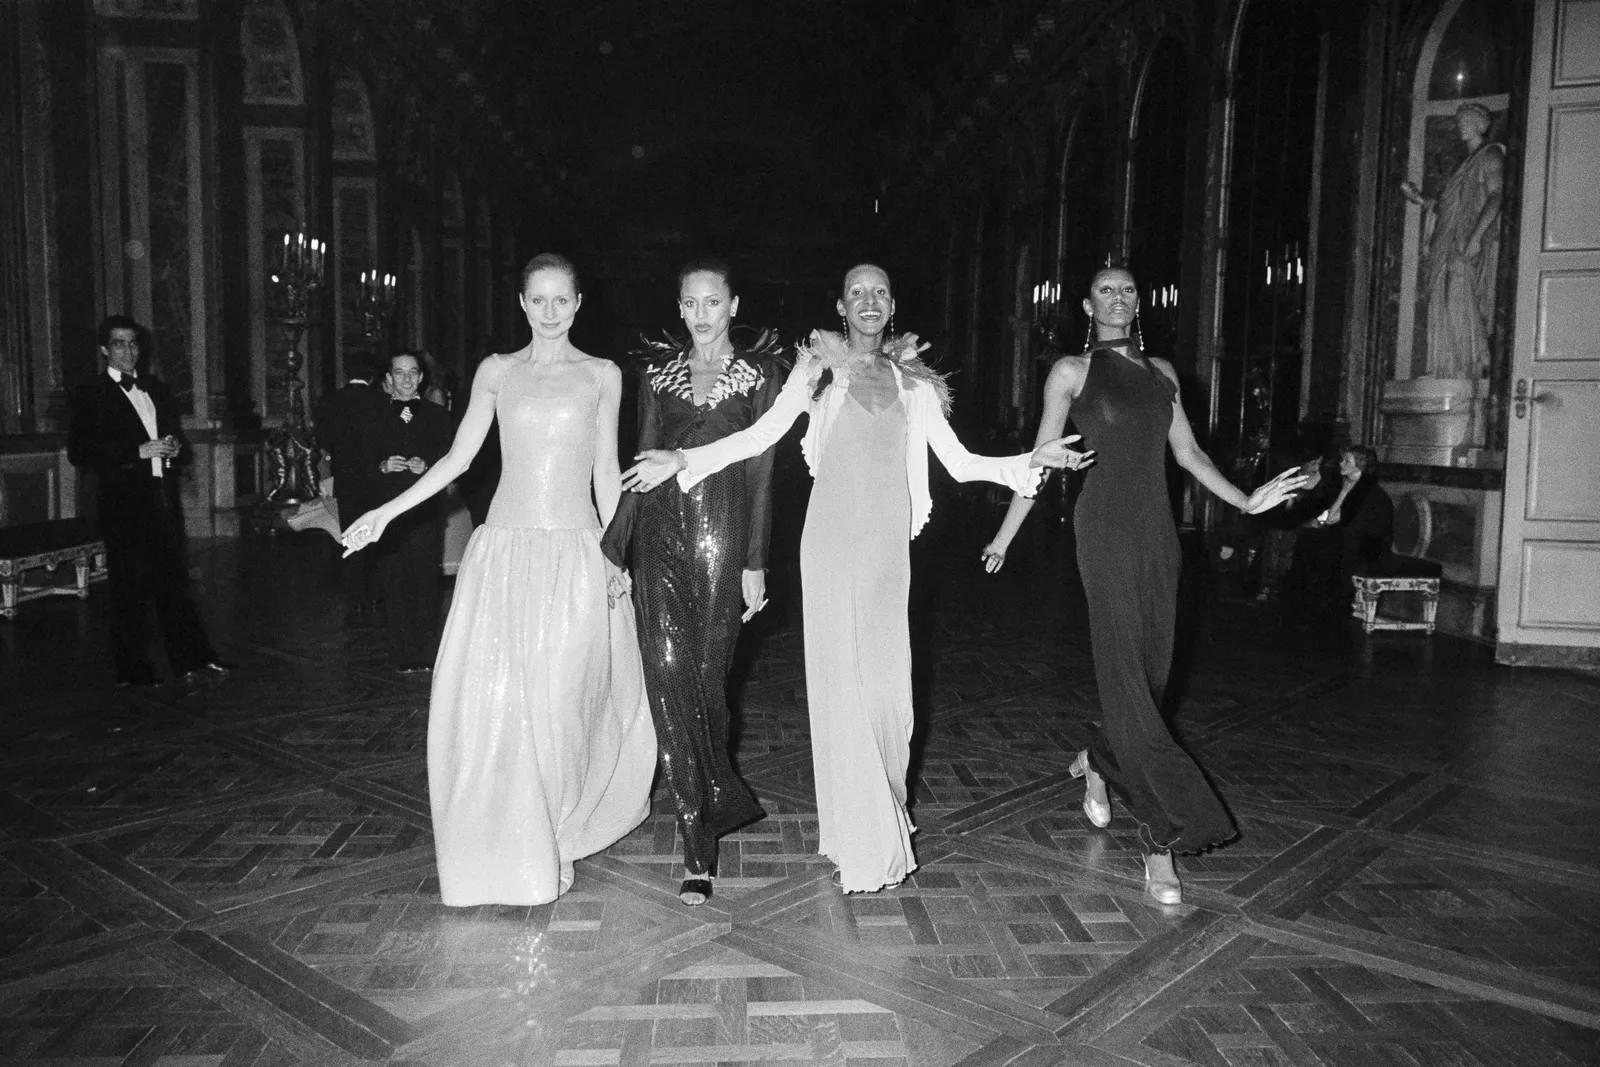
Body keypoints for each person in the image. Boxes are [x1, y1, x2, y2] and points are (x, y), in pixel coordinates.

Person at [621, 263, 1084, 894]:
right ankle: (866, 843)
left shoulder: (916, 385)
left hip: (889, 548)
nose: (869, 301)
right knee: (843, 688)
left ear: (892, 306)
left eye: (880, 292)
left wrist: (1030, 460)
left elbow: (959, 461)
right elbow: (760, 436)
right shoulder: (818, 372)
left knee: (891, 694)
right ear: (841, 306)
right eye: (857, 292)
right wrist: (684, 459)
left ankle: (876, 812)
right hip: (831, 542)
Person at [981, 267, 1307, 906]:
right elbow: (1040, 462)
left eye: (1128, 289)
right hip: (1101, 530)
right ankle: (1164, 838)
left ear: (1140, 303)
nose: (1118, 298)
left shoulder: (1163, 374)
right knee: (1128, 683)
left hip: (1158, 535)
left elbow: (1189, 455)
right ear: (1086, 304)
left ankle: (1101, 759)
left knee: (1150, 681)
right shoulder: (1069, 373)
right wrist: (1004, 535)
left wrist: (1247, 499)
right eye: (1106, 289)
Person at [340, 254, 656, 906]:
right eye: (536, 299)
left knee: (563, 699)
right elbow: (458, 456)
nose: (548, 311)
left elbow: (605, 471)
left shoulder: (602, 375)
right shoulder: (497, 372)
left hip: (574, 553)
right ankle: (531, 842)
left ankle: (562, 822)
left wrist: (613, 555)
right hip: (505, 556)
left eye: (560, 300)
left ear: (577, 303)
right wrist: (385, 511)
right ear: (521, 303)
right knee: (513, 702)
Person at [601, 258, 783, 907]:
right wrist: (616, 550)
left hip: (727, 530)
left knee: (707, 679)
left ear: (734, 305)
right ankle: (697, 843)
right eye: (691, 303)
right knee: (666, 672)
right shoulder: (658, 373)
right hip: (660, 531)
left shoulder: (761, 376)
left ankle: (718, 794)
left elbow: (763, 468)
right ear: (679, 308)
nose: (702, 314)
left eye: (714, 302)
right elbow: (642, 458)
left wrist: (754, 559)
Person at [67, 315, 233, 687]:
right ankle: (133, 670)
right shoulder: (90, 393)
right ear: (105, 350)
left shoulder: (155, 388)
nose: (129, 350)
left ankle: (193, 659)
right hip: (123, 504)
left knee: (173, 583)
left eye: (133, 343)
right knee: (130, 588)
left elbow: (177, 443)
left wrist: (173, 447)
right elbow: (80, 452)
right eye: (120, 343)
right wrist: (137, 451)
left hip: (161, 499)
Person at [360, 352, 453, 672]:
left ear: (421, 378)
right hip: (387, 509)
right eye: (399, 373)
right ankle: (401, 653)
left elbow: (451, 460)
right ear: (388, 378)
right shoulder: (370, 417)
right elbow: (354, 464)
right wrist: (381, 466)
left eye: (412, 372)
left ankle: (426, 653)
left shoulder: (438, 417)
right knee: (394, 578)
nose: (406, 379)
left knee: (425, 579)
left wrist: (428, 466)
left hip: (425, 509)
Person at [1401, 102, 1504, 379]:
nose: (1461, 125)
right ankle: (1446, 366)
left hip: (1467, 240)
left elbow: (1496, 196)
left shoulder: (1491, 154)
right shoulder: (1464, 165)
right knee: (1440, 297)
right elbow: (1447, 208)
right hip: (1448, 242)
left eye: (1467, 120)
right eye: (1459, 121)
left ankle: (1472, 363)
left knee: (1460, 296)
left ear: (1481, 124)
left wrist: (1475, 237)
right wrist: (1420, 199)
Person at [314, 354, 386, 616]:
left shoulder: (330, 401)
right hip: (377, 479)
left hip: (345, 478)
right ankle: (376, 592)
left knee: (350, 535)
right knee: (376, 535)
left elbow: (322, 439)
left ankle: (355, 595)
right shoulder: (381, 401)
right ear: (372, 377)